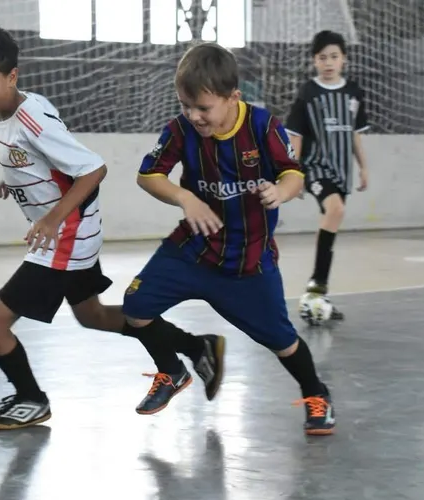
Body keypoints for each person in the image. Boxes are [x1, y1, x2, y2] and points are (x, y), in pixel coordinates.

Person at [0, 21, 224, 430]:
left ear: (12, 76)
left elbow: (93, 170)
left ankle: (31, 399)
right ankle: (195, 346)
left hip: (65, 241)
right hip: (73, 236)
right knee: (92, 315)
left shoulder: (31, 118)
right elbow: (41, 160)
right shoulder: (11, 114)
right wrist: (14, 180)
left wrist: (51, 217)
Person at [122, 42, 336, 435]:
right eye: (186, 105)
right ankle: (172, 371)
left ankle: (315, 392)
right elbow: (148, 175)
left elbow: (293, 172)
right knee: (135, 307)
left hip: (248, 262)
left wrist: (281, 192)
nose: (193, 115)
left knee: (283, 342)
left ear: (232, 97)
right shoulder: (180, 129)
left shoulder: (262, 126)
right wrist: (184, 197)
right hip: (192, 249)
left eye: (203, 108)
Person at [285, 30, 370, 322]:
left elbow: (356, 136)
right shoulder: (308, 94)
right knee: (336, 209)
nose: (329, 62)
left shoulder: (354, 93)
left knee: (335, 217)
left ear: (343, 59)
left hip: (342, 170)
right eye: (323, 58)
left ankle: (319, 294)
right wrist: (294, 173)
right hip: (315, 166)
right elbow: (295, 136)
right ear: (314, 61)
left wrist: (364, 166)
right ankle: (317, 283)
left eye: (334, 56)